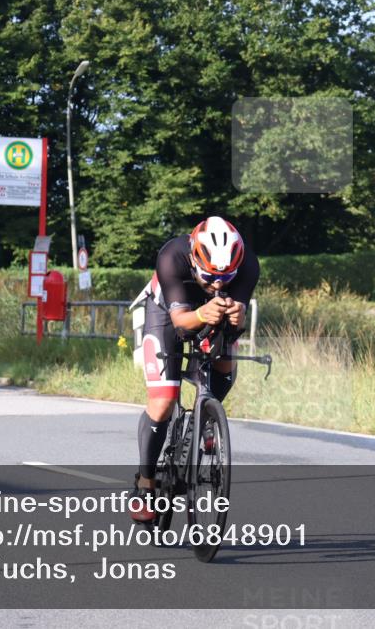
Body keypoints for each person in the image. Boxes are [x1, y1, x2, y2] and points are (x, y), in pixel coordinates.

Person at [128, 216, 260, 523]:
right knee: (162, 401)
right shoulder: (171, 256)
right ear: (194, 259)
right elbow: (181, 325)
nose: (218, 284)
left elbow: (233, 328)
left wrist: (237, 319)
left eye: (227, 278)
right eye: (210, 276)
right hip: (168, 314)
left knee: (225, 359)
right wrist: (202, 311)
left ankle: (208, 418)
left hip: (209, 313)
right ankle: (145, 484)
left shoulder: (249, 265)